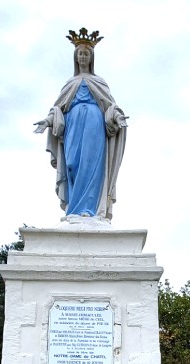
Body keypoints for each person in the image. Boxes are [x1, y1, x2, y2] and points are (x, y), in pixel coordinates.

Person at [34, 28, 127, 221]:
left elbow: (110, 106)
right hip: (73, 127)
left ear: (91, 58)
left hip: (94, 126)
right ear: (75, 58)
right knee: (72, 164)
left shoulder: (99, 82)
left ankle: (89, 210)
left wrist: (118, 117)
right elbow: (58, 108)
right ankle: (73, 209)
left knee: (90, 165)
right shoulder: (70, 83)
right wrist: (47, 121)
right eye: (80, 54)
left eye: (86, 54)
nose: (83, 57)